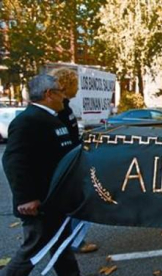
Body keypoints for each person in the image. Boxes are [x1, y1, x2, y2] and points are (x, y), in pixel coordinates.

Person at [1, 74, 80, 276]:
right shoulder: (28, 121)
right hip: (39, 205)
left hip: (56, 200)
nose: (64, 97)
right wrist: (26, 197)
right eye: (60, 92)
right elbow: (14, 161)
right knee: (31, 253)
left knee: (62, 249)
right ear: (48, 94)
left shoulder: (51, 118)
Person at [49, 68, 98, 253]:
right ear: (66, 84)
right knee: (80, 202)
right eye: (75, 83)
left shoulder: (65, 106)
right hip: (68, 163)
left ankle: (72, 240)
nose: (78, 88)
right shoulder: (59, 109)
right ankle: (76, 241)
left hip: (73, 160)